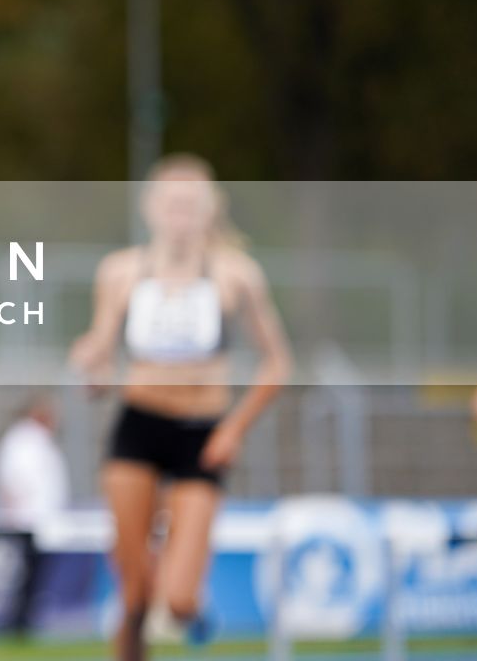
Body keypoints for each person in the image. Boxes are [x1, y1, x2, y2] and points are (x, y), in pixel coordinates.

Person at [69, 155, 292, 660]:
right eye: (171, 203)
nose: (180, 214)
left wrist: (234, 429)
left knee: (178, 597)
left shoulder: (237, 276)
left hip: (202, 433)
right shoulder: (121, 271)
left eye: (191, 204)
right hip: (138, 426)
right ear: (150, 208)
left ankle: (192, 608)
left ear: (210, 210)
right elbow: (101, 347)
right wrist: (90, 362)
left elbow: (278, 362)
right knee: (134, 596)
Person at [0, 392, 70, 638]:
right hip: (25, 520)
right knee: (23, 575)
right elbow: (13, 479)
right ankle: (16, 623)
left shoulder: (39, 440)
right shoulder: (22, 439)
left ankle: (24, 621)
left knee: (33, 576)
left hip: (41, 520)